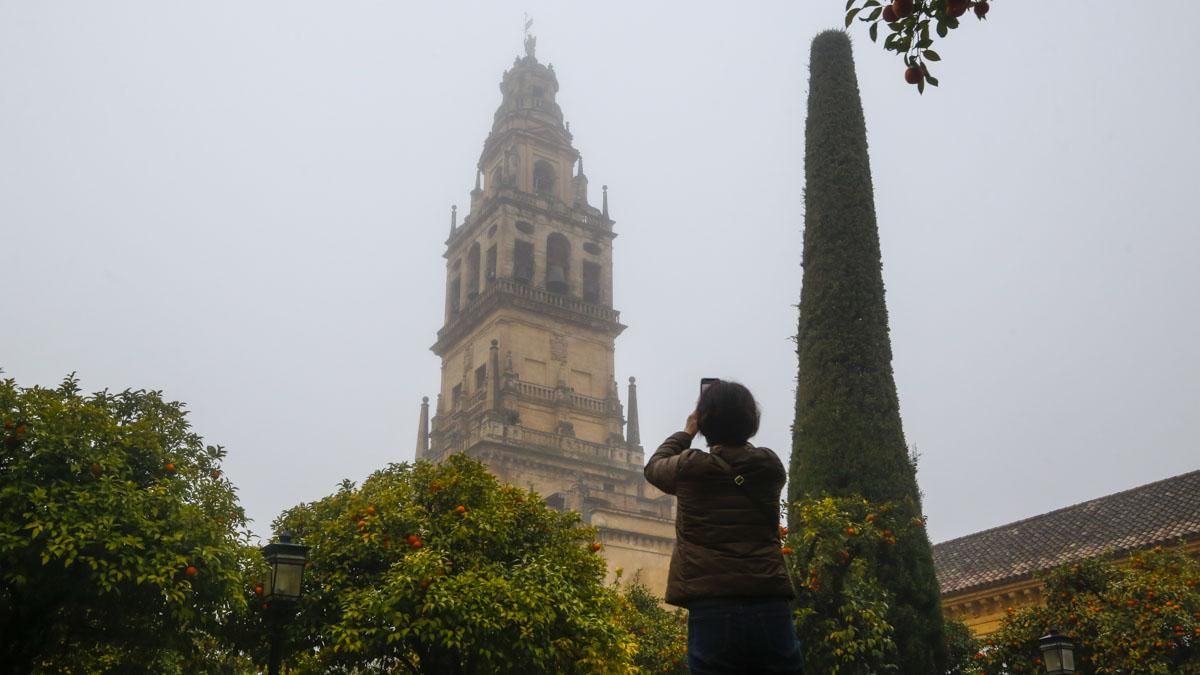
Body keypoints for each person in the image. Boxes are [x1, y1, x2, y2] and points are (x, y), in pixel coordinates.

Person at [644, 380, 803, 674]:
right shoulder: (768, 465)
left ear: (705, 423)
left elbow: (654, 467)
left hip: (712, 603)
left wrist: (687, 431)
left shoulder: (691, 466)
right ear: (752, 422)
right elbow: (743, 459)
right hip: (768, 599)